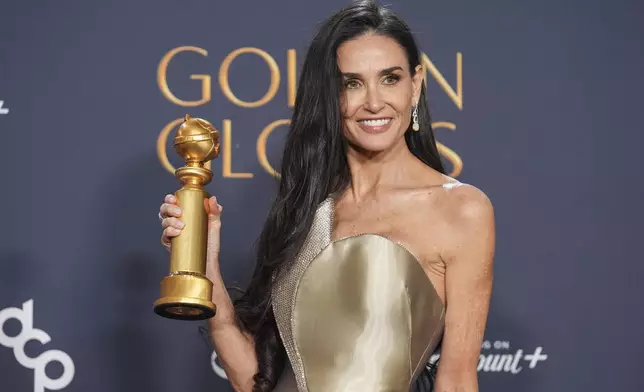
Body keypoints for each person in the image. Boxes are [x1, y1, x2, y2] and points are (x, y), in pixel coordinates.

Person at [158, 1, 495, 391]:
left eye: (390, 78)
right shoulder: (306, 209)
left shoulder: (461, 210)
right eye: (351, 82)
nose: (373, 102)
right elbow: (252, 380)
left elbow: (455, 380)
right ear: (329, 95)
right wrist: (202, 261)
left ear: (415, 84)